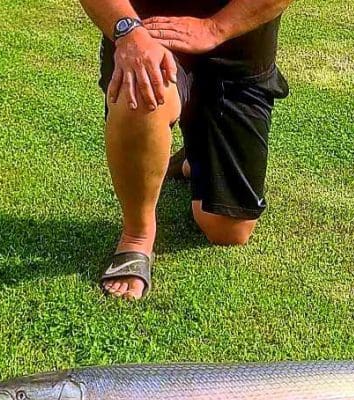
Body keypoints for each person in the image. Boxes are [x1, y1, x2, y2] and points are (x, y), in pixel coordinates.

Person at [79, 0, 293, 299]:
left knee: (227, 231)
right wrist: (127, 31)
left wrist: (215, 28)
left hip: (237, 52)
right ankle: (136, 237)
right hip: (146, 36)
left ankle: (193, 158)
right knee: (143, 88)